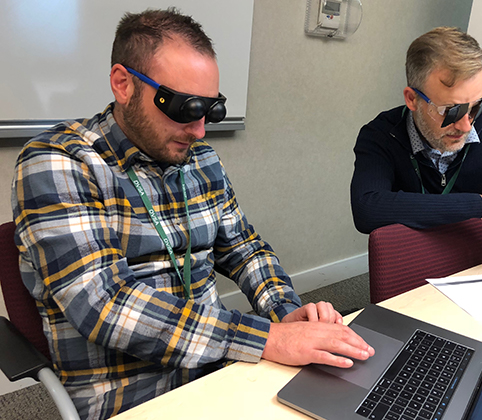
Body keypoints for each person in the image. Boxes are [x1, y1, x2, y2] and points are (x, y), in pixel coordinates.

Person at [11, 8, 373, 419]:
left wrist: (286, 312)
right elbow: (105, 305)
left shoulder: (201, 160)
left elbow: (244, 248)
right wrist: (267, 338)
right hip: (129, 393)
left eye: (210, 109)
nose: (200, 130)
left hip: (220, 364)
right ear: (123, 83)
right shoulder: (57, 162)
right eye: (183, 107)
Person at [350, 27, 482, 302]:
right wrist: (479, 205)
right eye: (451, 111)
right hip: (415, 275)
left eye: (477, 105)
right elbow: (368, 208)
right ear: (412, 99)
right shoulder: (381, 135)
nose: (466, 125)